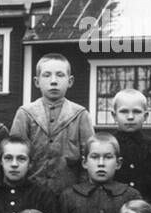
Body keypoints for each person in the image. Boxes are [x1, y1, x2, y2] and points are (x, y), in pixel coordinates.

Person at [9, 53, 95, 193]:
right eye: (47, 75)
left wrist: (82, 191)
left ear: (70, 81)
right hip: (32, 192)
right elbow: (15, 154)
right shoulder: (25, 113)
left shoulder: (80, 115)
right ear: (37, 82)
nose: (53, 81)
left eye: (60, 75)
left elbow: (90, 157)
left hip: (70, 192)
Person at [110, 89, 151, 201]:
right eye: (124, 112)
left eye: (136, 112)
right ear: (114, 115)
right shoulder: (108, 145)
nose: (130, 117)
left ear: (145, 116)